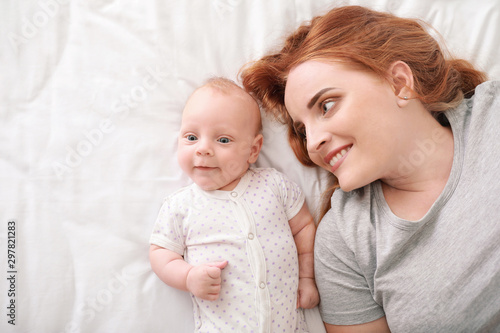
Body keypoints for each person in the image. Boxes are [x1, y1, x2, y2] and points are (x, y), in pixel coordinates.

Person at [240, 5, 500, 333]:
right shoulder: (344, 241)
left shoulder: (493, 116)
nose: (313, 142)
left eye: (327, 105)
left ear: (400, 84)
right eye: (303, 129)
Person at [149, 77, 320, 333]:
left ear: (253, 150)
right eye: (192, 137)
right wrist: (187, 277)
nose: (203, 149)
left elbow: (304, 227)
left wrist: (307, 278)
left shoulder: (274, 186)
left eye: (223, 140)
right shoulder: (182, 206)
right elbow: (160, 253)